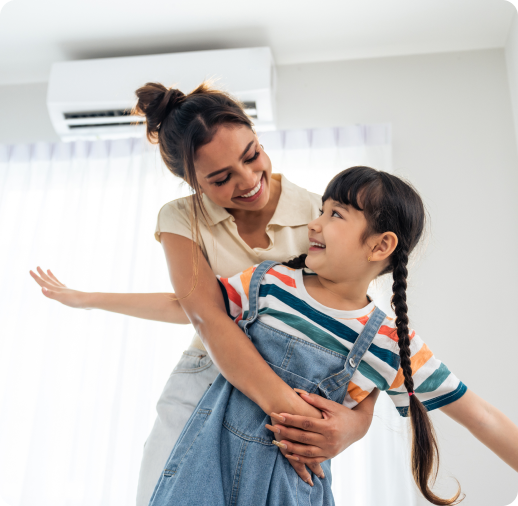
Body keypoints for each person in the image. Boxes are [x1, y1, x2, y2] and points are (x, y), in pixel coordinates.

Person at [29, 82, 379, 505]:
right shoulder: (182, 218)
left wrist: (355, 424)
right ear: (192, 182)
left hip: (296, 389)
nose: (249, 180)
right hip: (213, 379)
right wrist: (293, 412)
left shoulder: (317, 214)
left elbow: (358, 322)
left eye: (252, 155)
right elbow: (204, 313)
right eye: (220, 178)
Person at [128, 166, 518, 505]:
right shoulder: (271, 282)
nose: (315, 223)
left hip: (291, 493)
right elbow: (192, 306)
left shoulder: (388, 341)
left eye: (336, 214)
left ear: (381, 245)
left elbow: (481, 417)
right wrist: (87, 300)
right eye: (321, 210)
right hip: (207, 469)